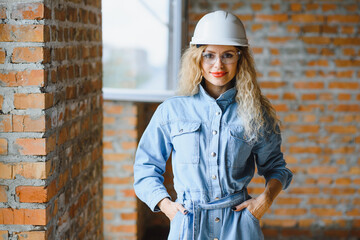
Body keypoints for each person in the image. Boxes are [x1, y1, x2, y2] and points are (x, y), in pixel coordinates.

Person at [134, 10, 293, 240]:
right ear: (197, 58)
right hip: (188, 224)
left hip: (239, 226)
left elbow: (277, 168)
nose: (218, 64)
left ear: (240, 58)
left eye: (228, 54)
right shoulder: (172, 111)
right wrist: (167, 207)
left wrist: (264, 201)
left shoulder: (256, 113)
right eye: (209, 55)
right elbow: (145, 168)